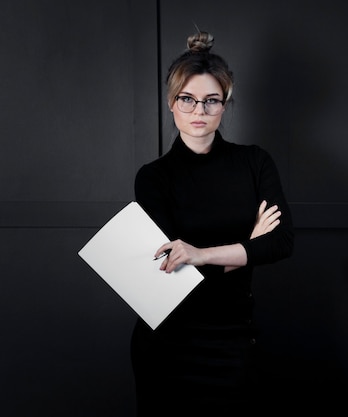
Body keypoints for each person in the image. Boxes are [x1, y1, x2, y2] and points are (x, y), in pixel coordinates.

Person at [130, 30, 294, 416]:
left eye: (211, 100)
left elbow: (282, 242)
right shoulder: (153, 177)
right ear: (171, 102)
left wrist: (199, 253)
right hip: (167, 344)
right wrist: (246, 247)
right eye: (187, 99)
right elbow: (171, 272)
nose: (198, 111)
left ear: (225, 104)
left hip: (233, 340)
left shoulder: (254, 163)